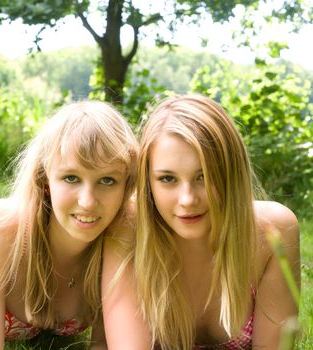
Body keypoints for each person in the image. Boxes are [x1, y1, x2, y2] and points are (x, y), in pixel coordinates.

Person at [0, 100, 138, 349]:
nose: (87, 201)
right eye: (71, 178)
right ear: (45, 180)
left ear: (126, 184)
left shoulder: (122, 236)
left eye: (107, 180)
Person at [102, 94, 300, 349]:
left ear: (231, 173)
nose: (187, 199)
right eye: (167, 179)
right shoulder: (128, 231)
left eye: (204, 176)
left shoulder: (273, 232)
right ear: (148, 182)